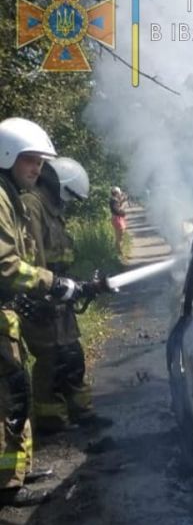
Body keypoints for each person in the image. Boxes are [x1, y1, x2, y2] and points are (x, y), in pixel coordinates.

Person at [0, 117, 94, 503]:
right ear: (7, 156)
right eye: (30, 160)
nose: (37, 169)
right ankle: (7, 487)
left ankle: (15, 474)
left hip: (7, 310)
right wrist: (52, 283)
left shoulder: (11, 197)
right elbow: (6, 264)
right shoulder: (2, 199)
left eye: (40, 162)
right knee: (10, 397)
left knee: (15, 392)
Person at [21, 157, 112, 434]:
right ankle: (53, 422)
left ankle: (82, 412)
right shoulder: (32, 206)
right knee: (52, 360)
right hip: (41, 301)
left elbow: (61, 259)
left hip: (60, 297)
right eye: (69, 196)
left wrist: (80, 286)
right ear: (59, 185)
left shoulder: (53, 210)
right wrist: (47, 295)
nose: (69, 203)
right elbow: (34, 260)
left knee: (72, 356)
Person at [109, 186, 128, 256]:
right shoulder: (114, 200)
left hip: (117, 218)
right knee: (119, 237)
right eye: (119, 193)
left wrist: (122, 201)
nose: (120, 194)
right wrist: (124, 206)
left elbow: (117, 205)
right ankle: (119, 253)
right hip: (117, 219)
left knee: (119, 237)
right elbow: (117, 210)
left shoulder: (114, 200)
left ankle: (118, 253)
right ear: (116, 193)